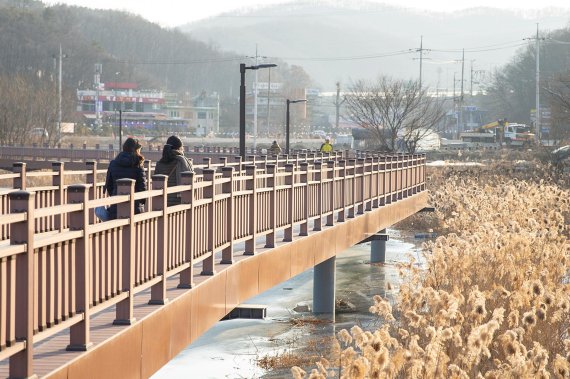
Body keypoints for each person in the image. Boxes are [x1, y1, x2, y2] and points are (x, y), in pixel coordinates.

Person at [97, 138, 147, 221]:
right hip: (135, 210)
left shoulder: (113, 163)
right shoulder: (138, 164)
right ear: (136, 150)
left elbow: (109, 185)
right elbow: (142, 188)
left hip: (116, 208)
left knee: (116, 232)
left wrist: (116, 196)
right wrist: (140, 204)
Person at [154, 135, 194, 206]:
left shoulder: (160, 163)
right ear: (179, 148)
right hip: (178, 201)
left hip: (162, 202)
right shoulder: (182, 161)